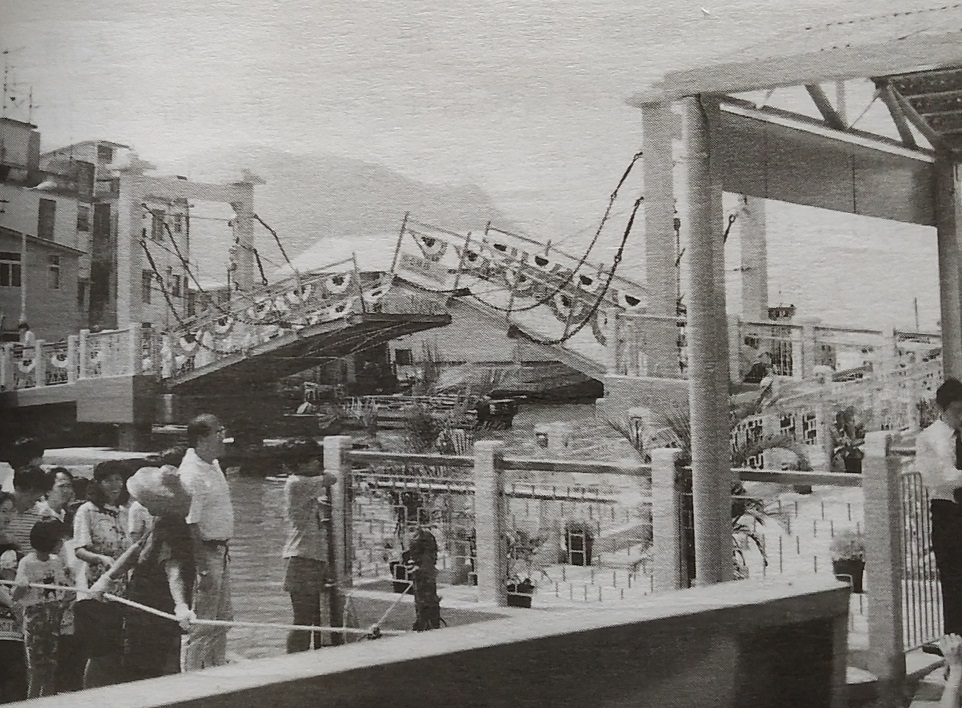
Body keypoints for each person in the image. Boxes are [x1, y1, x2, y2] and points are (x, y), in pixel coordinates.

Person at [120, 449, 195, 680]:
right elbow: (135, 551)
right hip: (140, 602)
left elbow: (174, 570)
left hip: (159, 607)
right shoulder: (158, 521)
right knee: (136, 660)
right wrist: (109, 578)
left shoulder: (176, 528)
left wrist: (181, 605)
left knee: (156, 664)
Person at [178, 414, 234, 671]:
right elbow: (190, 524)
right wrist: (202, 568)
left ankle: (217, 673)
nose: (223, 436)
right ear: (202, 439)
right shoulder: (192, 473)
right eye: (218, 431)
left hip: (222, 551)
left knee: (223, 620)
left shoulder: (212, 464)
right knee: (203, 624)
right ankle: (191, 681)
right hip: (207, 553)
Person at [72, 460, 132, 688]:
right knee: (99, 653)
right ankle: (90, 697)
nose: (115, 485)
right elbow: (79, 550)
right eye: (109, 480)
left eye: (119, 479)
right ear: (98, 484)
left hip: (121, 593)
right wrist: (101, 559)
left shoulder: (123, 512)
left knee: (117, 651)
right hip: (94, 591)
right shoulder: (86, 511)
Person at [279, 438, 337, 653]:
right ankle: (293, 661)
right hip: (301, 557)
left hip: (309, 557)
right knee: (302, 619)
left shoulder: (302, 483)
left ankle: (301, 659)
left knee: (309, 618)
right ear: (301, 464)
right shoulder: (297, 482)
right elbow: (333, 477)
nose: (318, 463)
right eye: (314, 460)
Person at [917, 378, 962, 638]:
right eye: (957, 411)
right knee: (954, 586)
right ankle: (955, 657)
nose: (961, 417)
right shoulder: (930, 438)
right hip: (948, 515)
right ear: (942, 410)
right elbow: (938, 477)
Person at [12, 519, 71, 699]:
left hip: (53, 617)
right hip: (35, 619)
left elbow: (63, 589)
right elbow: (15, 595)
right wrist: (21, 585)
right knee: (36, 668)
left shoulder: (56, 562)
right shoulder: (27, 563)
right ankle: (32, 702)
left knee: (51, 666)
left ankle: (48, 702)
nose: (62, 543)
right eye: (58, 539)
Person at [37, 468, 83, 693]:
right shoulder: (40, 515)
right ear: (47, 490)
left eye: (69, 486)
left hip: (71, 590)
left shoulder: (71, 516)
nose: (67, 491)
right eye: (61, 486)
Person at [0, 491, 26, 703]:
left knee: (14, 680)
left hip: (10, 626)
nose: (6, 516)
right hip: (8, 608)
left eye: (10, 511)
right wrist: (12, 602)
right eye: (2, 511)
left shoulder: (12, 544)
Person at [7, 465, 52, 552]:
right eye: (33, 492)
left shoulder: (44, 514)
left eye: (40, 492)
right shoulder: (2, 511)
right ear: (18, 488)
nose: (38, 496)